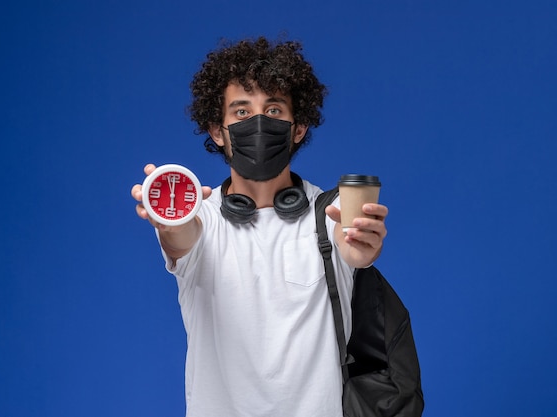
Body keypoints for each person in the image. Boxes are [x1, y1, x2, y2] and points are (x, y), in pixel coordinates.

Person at [131, 36, 388, 417]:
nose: (259, 123)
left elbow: (351, 246)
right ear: (217, 131)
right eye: (241, 112)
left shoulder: (331, 210)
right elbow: (180, 238)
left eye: (273, 109)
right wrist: (168, 218)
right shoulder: (200, 215)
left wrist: (362, 248)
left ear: (298, 127)